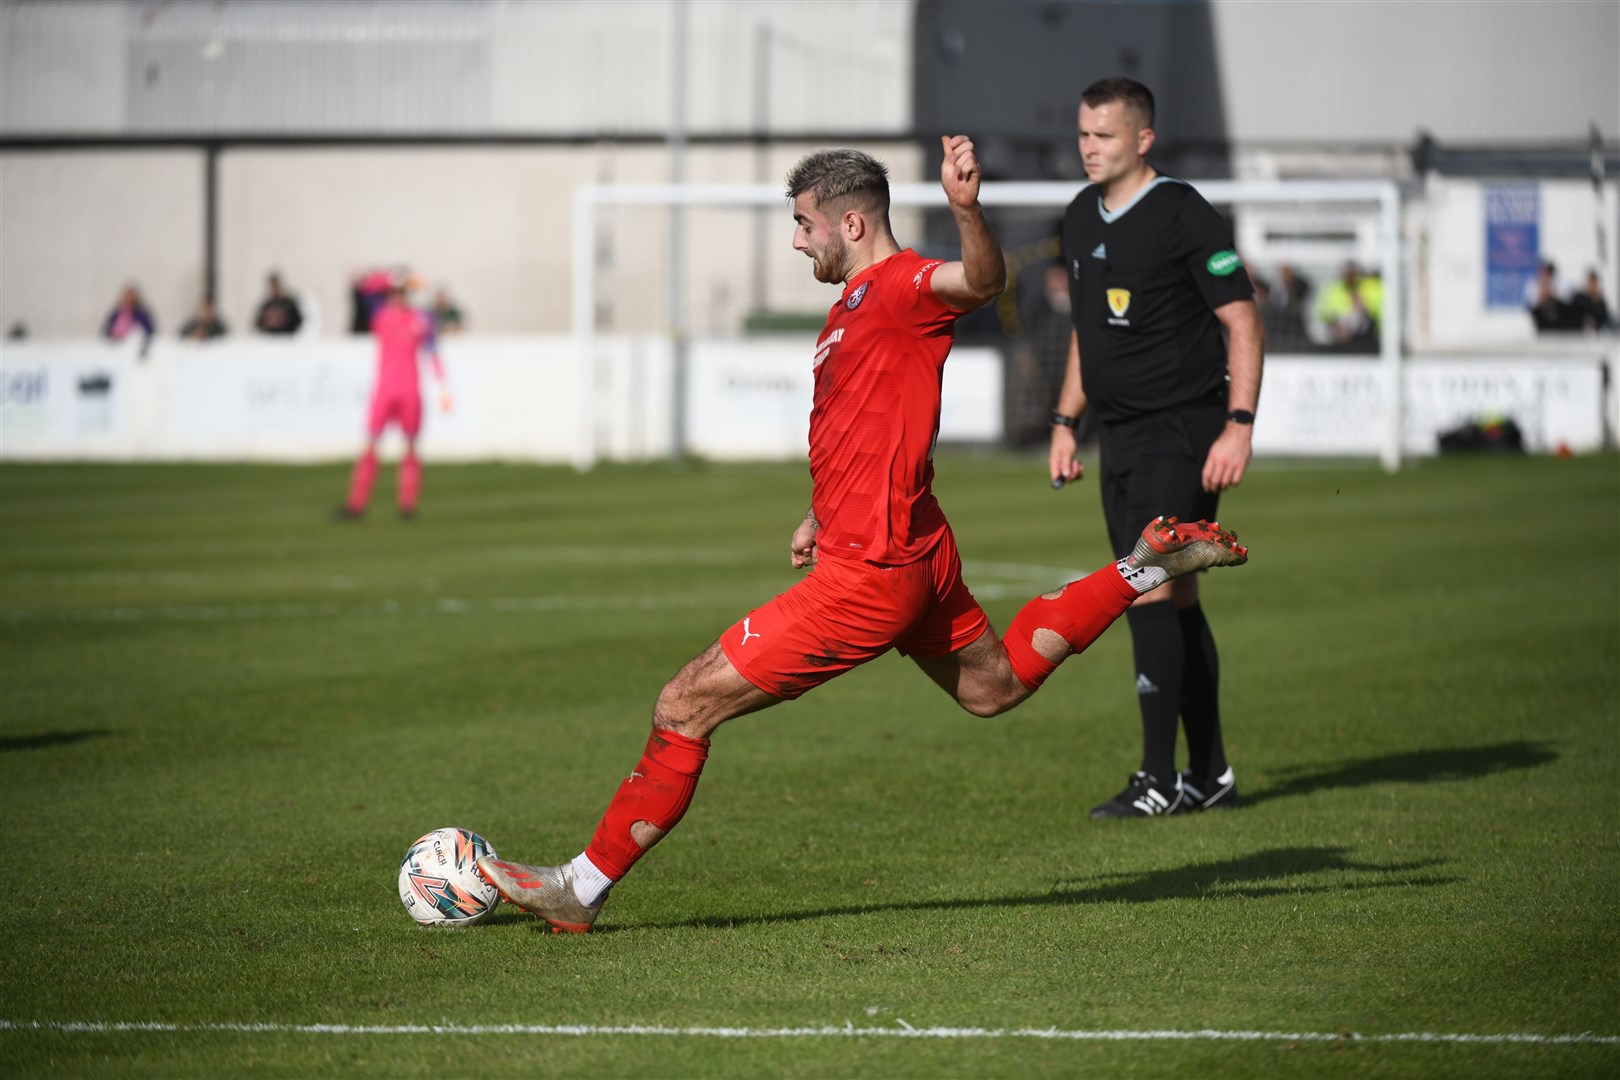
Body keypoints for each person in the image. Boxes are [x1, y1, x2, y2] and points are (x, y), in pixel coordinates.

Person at [475, 138, 1249, 932]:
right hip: (912, 548)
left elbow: (980, 280)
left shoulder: (904, 285)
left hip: (870, 572)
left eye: (805, 224)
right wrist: (823, 508)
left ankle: (581, 887)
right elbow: (860, 421)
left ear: (851, 221)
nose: (796, 239)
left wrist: (966, 209)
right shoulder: (851, 308)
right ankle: (1137, 570)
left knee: (682, 705)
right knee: (995, 687)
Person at [1047, 77, 1264, 819]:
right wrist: (1064, 421)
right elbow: (1088, 334)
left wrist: (1239, 423)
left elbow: (1243, 320)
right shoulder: (1078, 217)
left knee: (1148, 584)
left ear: (1143, 139)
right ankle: (1210, 776)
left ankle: (1156, 780)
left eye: (1102, 136)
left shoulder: (1182, 213)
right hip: (1120, 438)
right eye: (1082, 134)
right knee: (1176, 594)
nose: (1087, 147)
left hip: (1185, 430)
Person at [335, 279, 451, 520]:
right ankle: (357, 503)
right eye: (393, 293)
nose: (396, 298)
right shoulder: (381, 317)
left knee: (410, 446)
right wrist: (390, 277)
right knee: (370, 444)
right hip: (384, 391)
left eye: (401, 293)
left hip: (410, 391)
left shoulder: (421, 320)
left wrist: (443, 387)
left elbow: (433, 351)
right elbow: (361, 290)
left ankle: (407, 505)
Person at [1314, 261, 1382, 350]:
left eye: (1352, 274)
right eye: (1347, 274)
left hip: (1367, 335)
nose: (1349, 277)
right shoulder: (1334, 289)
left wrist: (1363, 310)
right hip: (1339, 334)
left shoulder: (1371, 287)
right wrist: (1337, 328)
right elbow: (1325, 313)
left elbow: (1378, 315)